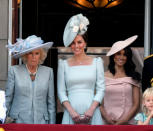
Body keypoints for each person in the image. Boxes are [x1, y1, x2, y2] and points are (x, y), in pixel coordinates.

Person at [57, 13, 105, 125]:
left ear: (85, 43)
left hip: (93, 111)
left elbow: (101, 89)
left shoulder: (97, 62)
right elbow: (61, 91)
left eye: (79, 42)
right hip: (71, 113)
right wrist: (71, 112)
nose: (76, 46)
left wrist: (91, 110)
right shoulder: (63, 64)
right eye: (73, 43)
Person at [5, 35, 56, 124]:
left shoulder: (48, 72)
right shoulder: (14, 71)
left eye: (37, 53)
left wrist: (52, 125)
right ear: (25, 55)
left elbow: (51, 102)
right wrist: (4, 119)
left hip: (41, 122)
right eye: (30, 53)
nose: (33, 57)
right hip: (18, 121)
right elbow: (8, 98)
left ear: (41, 55)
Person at [100, 35, 141, 125]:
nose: (121, 57)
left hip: (128, 123)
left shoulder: (133, 77)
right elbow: (100, 104)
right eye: (118, 53)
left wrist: (123, 121)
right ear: (113, 56)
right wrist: (108, 119)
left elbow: (136, 104)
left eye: (125, 55)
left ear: (128, 57)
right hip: (106, 122)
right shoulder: (103, 76)